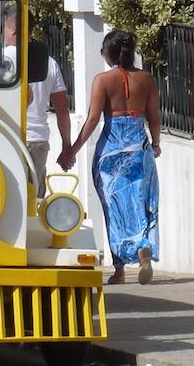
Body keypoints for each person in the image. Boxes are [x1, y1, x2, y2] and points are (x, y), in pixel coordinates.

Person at [58, 30, 161, 285]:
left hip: (110, 152)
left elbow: (93, 119)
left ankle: (119, 269)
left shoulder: (102, 80)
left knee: (113, 209)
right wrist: (156, 144)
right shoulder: (147, 79)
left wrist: (72, 150)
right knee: (140, 203)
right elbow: (154, 117)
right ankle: (143, 245)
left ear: (108, 54)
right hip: (139, 148)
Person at [27, 55, 71, 199]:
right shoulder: (48, 62)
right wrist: (67, 147)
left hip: (5, 135)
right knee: (34, 199)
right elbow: (62, 110)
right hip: (36, 140)